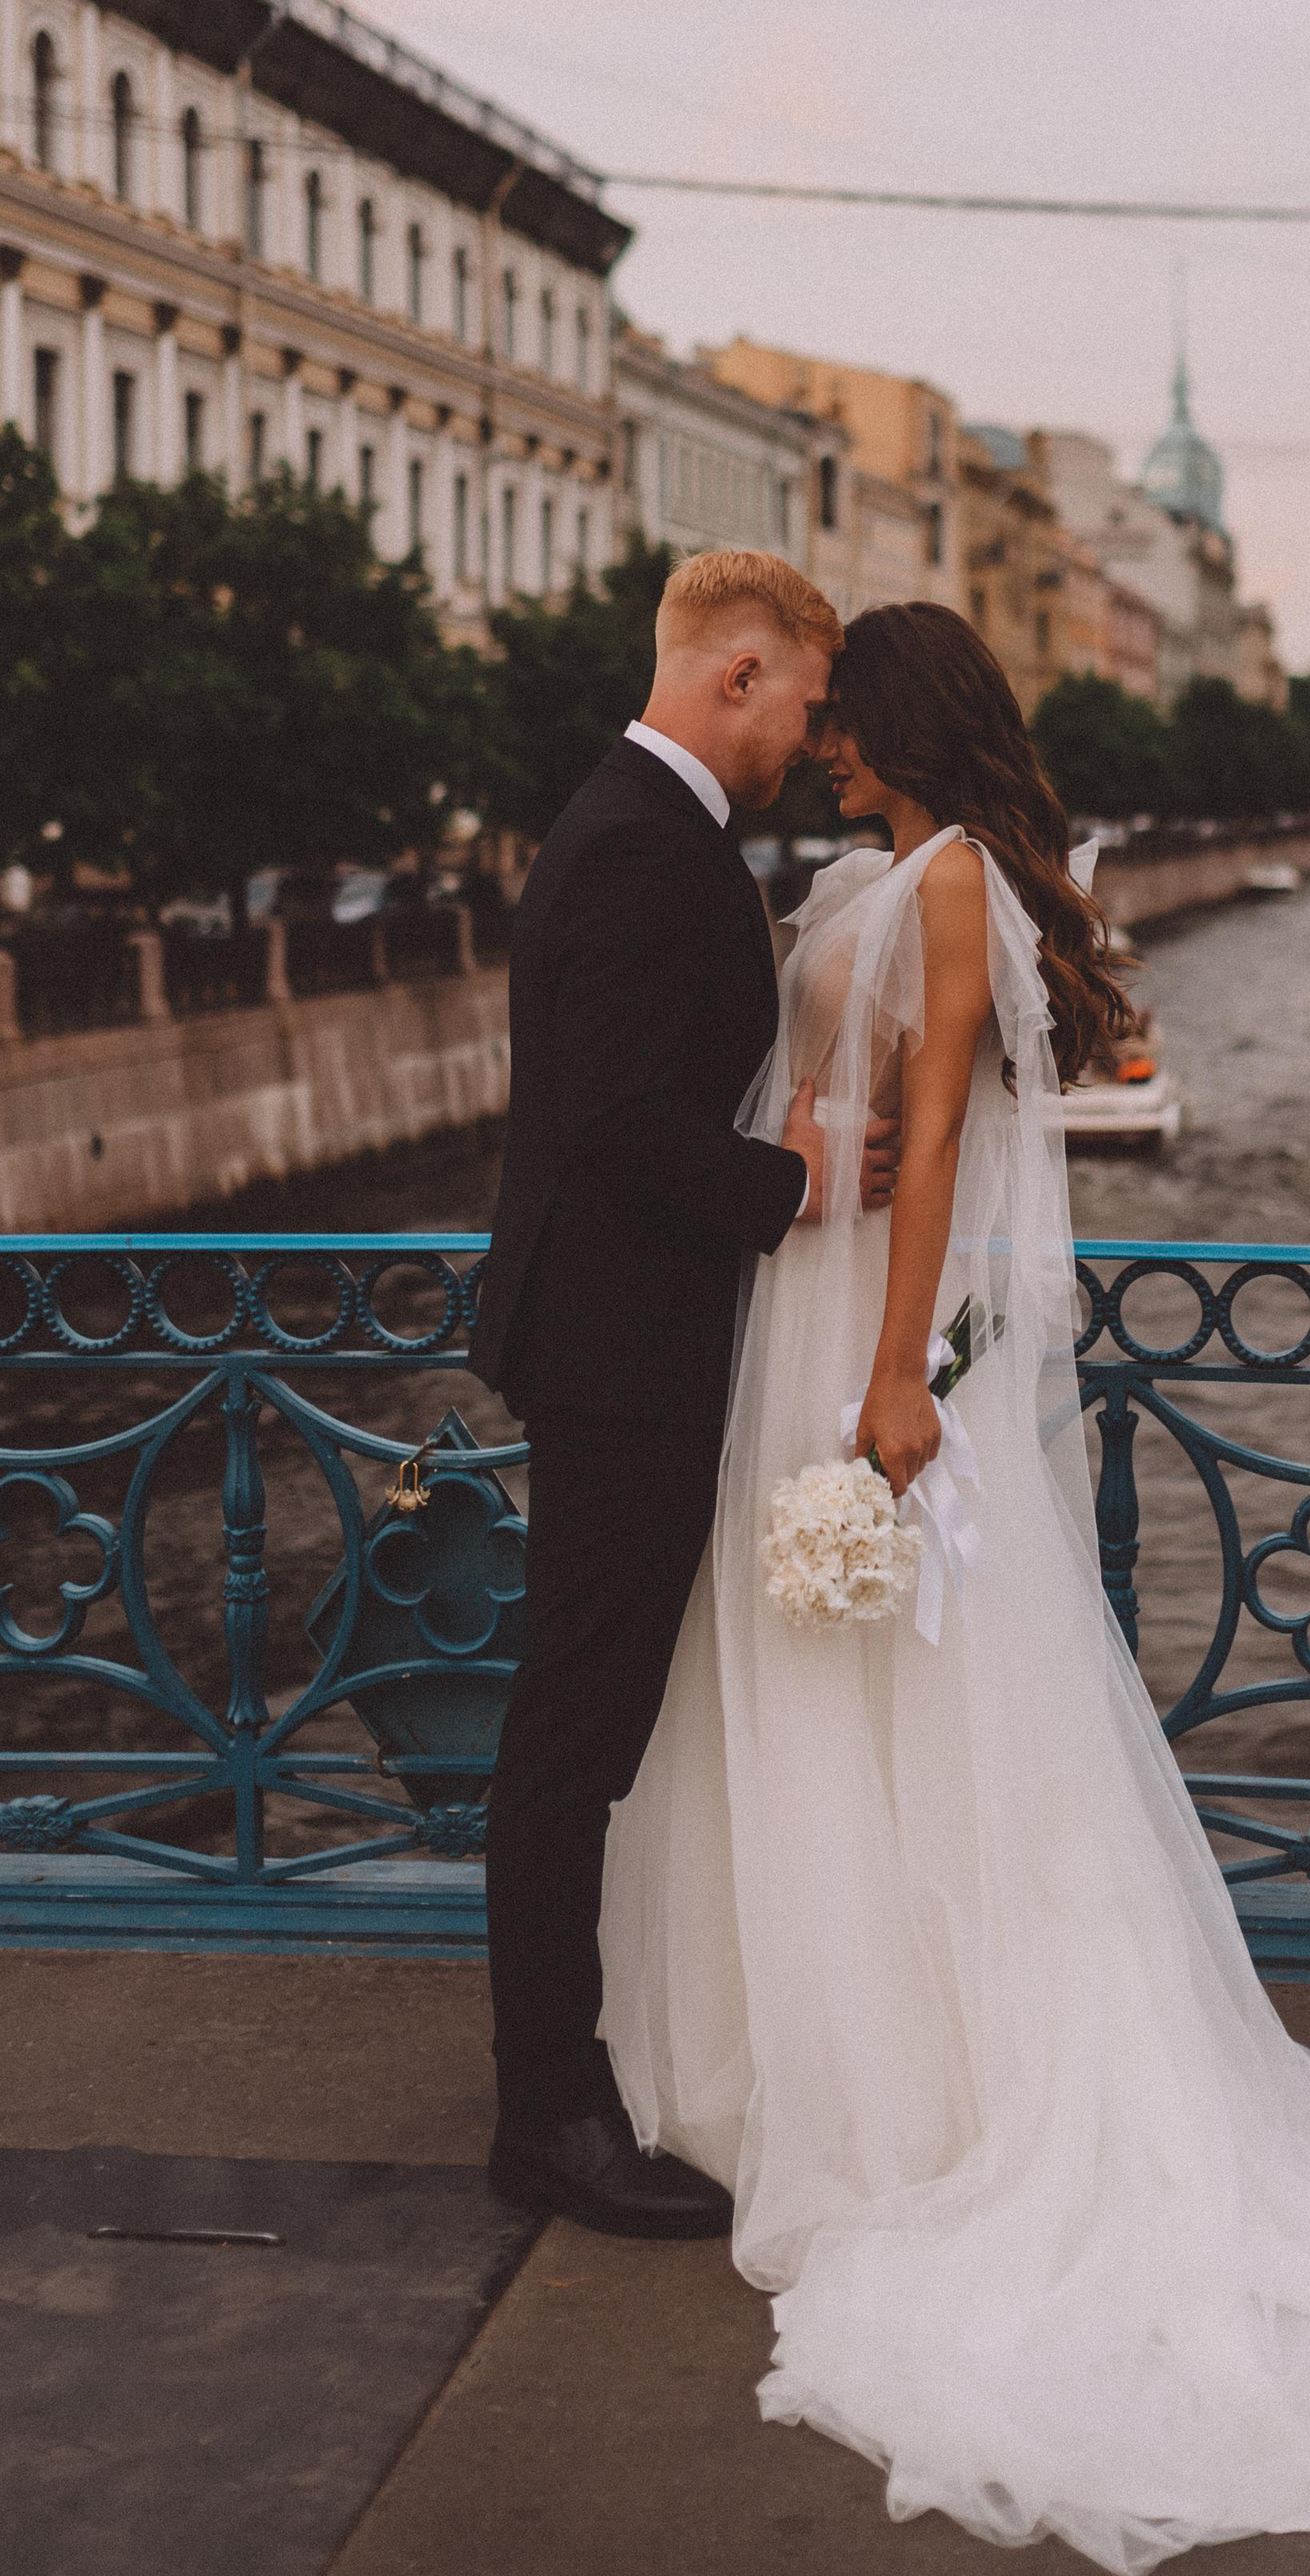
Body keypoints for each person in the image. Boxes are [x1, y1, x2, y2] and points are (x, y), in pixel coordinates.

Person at [600, 599, 1310, 2562]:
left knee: (892, 1702)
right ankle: (853, 2054)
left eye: (850, 719)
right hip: (807, 1311)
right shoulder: (888, 872)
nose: (826, 739)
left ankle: (913, 2094)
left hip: (860, 1335)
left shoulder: (930, 885)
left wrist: (889, 1374)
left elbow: (929, 1153)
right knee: (837, 1695)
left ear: (909, 721)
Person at [471, 547, 897, 2238]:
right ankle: (548, 2112)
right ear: (734, 677)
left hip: (611, 1338)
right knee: (571, 1734)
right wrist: (796, 1189)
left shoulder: (630, 829)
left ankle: (569, 2071)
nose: (804, 736)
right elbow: (623, 1129)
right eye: (799, 701)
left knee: (578, 1723)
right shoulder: (646, 851)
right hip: (619, 1353)